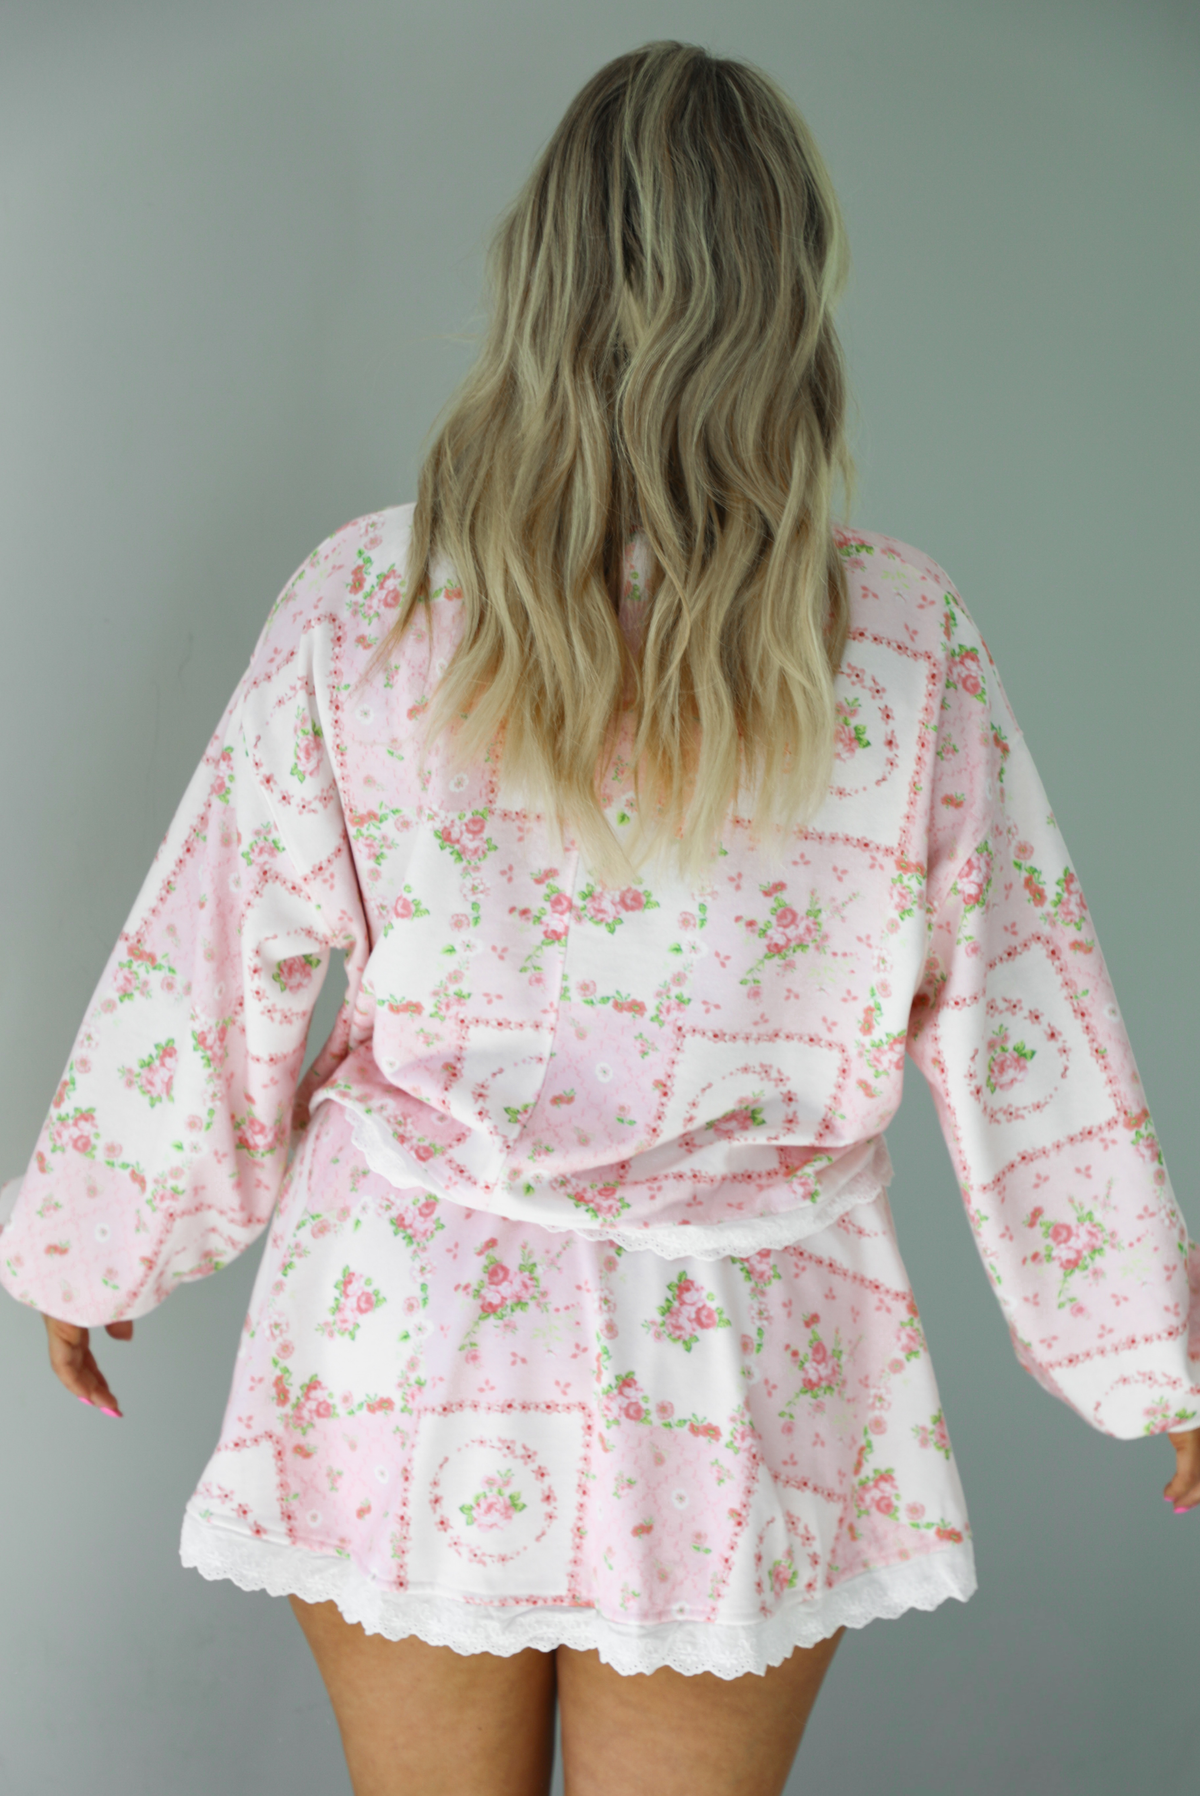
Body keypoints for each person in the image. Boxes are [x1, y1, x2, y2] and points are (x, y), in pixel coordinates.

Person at [3, 37, 1198, 1796]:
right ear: (797, 295)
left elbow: (214, 955)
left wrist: (93, 1248)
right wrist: (1155, 1356)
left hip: (407, 1326)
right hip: (752, 1359)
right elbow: (1027, 1028)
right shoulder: (899, 644)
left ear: (537, 279)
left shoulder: (372, 603)